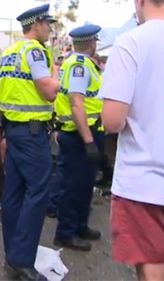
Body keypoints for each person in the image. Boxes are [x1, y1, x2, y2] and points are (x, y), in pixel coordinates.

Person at [101, 0, 164, 279]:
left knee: (152, 263)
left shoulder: (130, 43)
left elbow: (112, 120)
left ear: (139, 2)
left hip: (144, 182)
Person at [0, 4, 59, 280]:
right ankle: (22, 260)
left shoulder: (9, 53)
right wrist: (55, 70)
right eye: (49, 24)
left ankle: (13, 253)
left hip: (14, 130)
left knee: (13, 193)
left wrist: (6, 127)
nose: (50, 29)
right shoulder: (35, 51)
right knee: (38, 193)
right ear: (37, 25)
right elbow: (49, 92)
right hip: (33, 135)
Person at [53, 24, 104, 251]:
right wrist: (89, 141)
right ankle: (65, 233)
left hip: (87, 131)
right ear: (92, 43)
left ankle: (80, 225)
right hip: (79, 135)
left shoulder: (82, 65)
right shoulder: (79, 67)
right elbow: (76, 104)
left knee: (85, 184)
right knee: (73, 185)